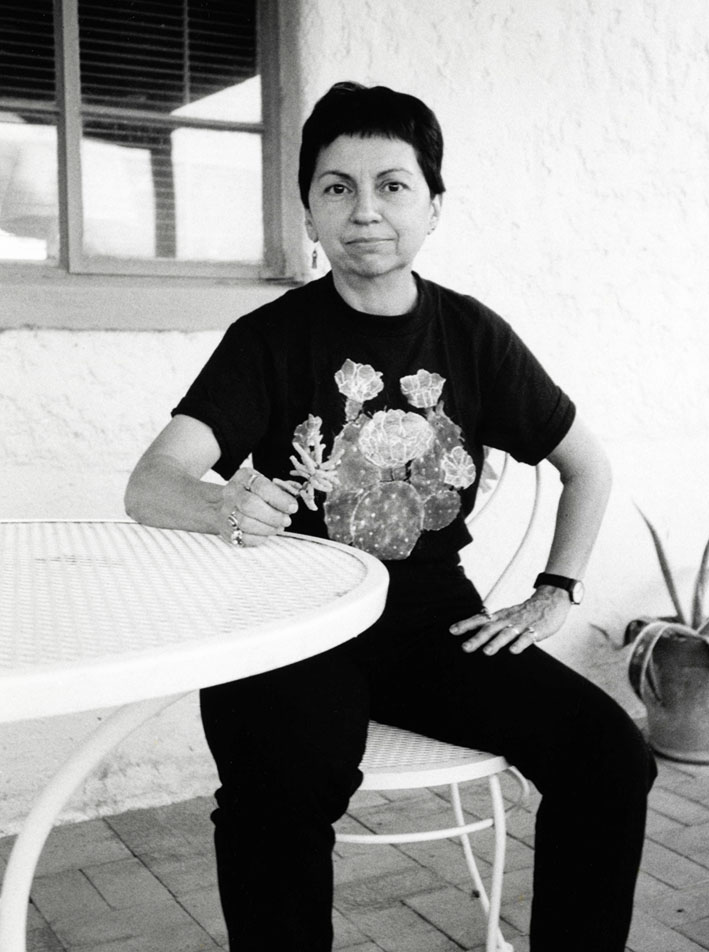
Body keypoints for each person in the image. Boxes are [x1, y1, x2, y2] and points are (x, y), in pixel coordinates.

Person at [125, 81, 657, 952]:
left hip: (428, 620)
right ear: (308, 211)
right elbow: (151, 482)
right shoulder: (269, 338)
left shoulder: (474, 336)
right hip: (289, 614)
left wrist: (554, 588)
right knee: (284, 788)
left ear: (434, 205)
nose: (364, 210)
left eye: (392, 184)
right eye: (337, 187)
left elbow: (585, 464)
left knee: (609, 758)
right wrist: (220, 500)